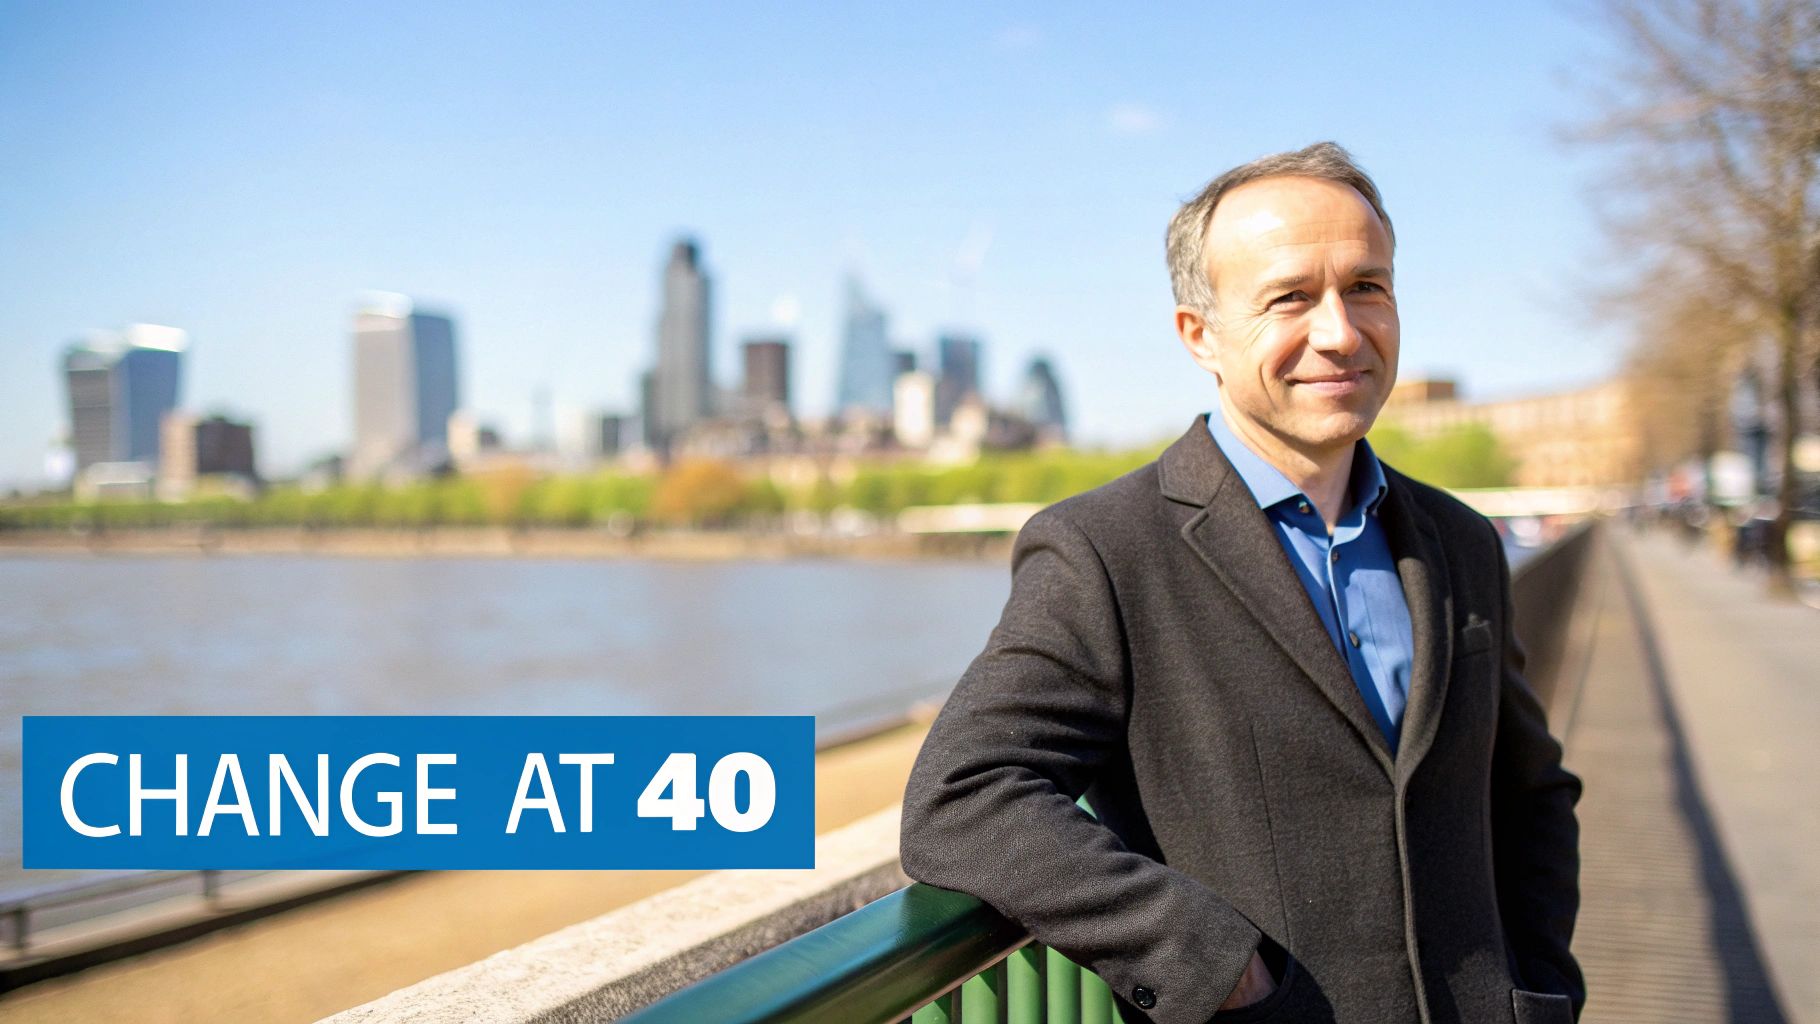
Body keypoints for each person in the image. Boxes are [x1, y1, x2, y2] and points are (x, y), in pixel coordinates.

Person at [899, 142, 1583, 1024]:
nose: (1340, 331)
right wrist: (1212, 963)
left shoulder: (1461, 540)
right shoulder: (1104, 551)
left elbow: (1529, 796)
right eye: (1290, 297)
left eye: (1367, 286)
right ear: (1200, 336)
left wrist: (1542, 992)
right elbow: (961, 795)